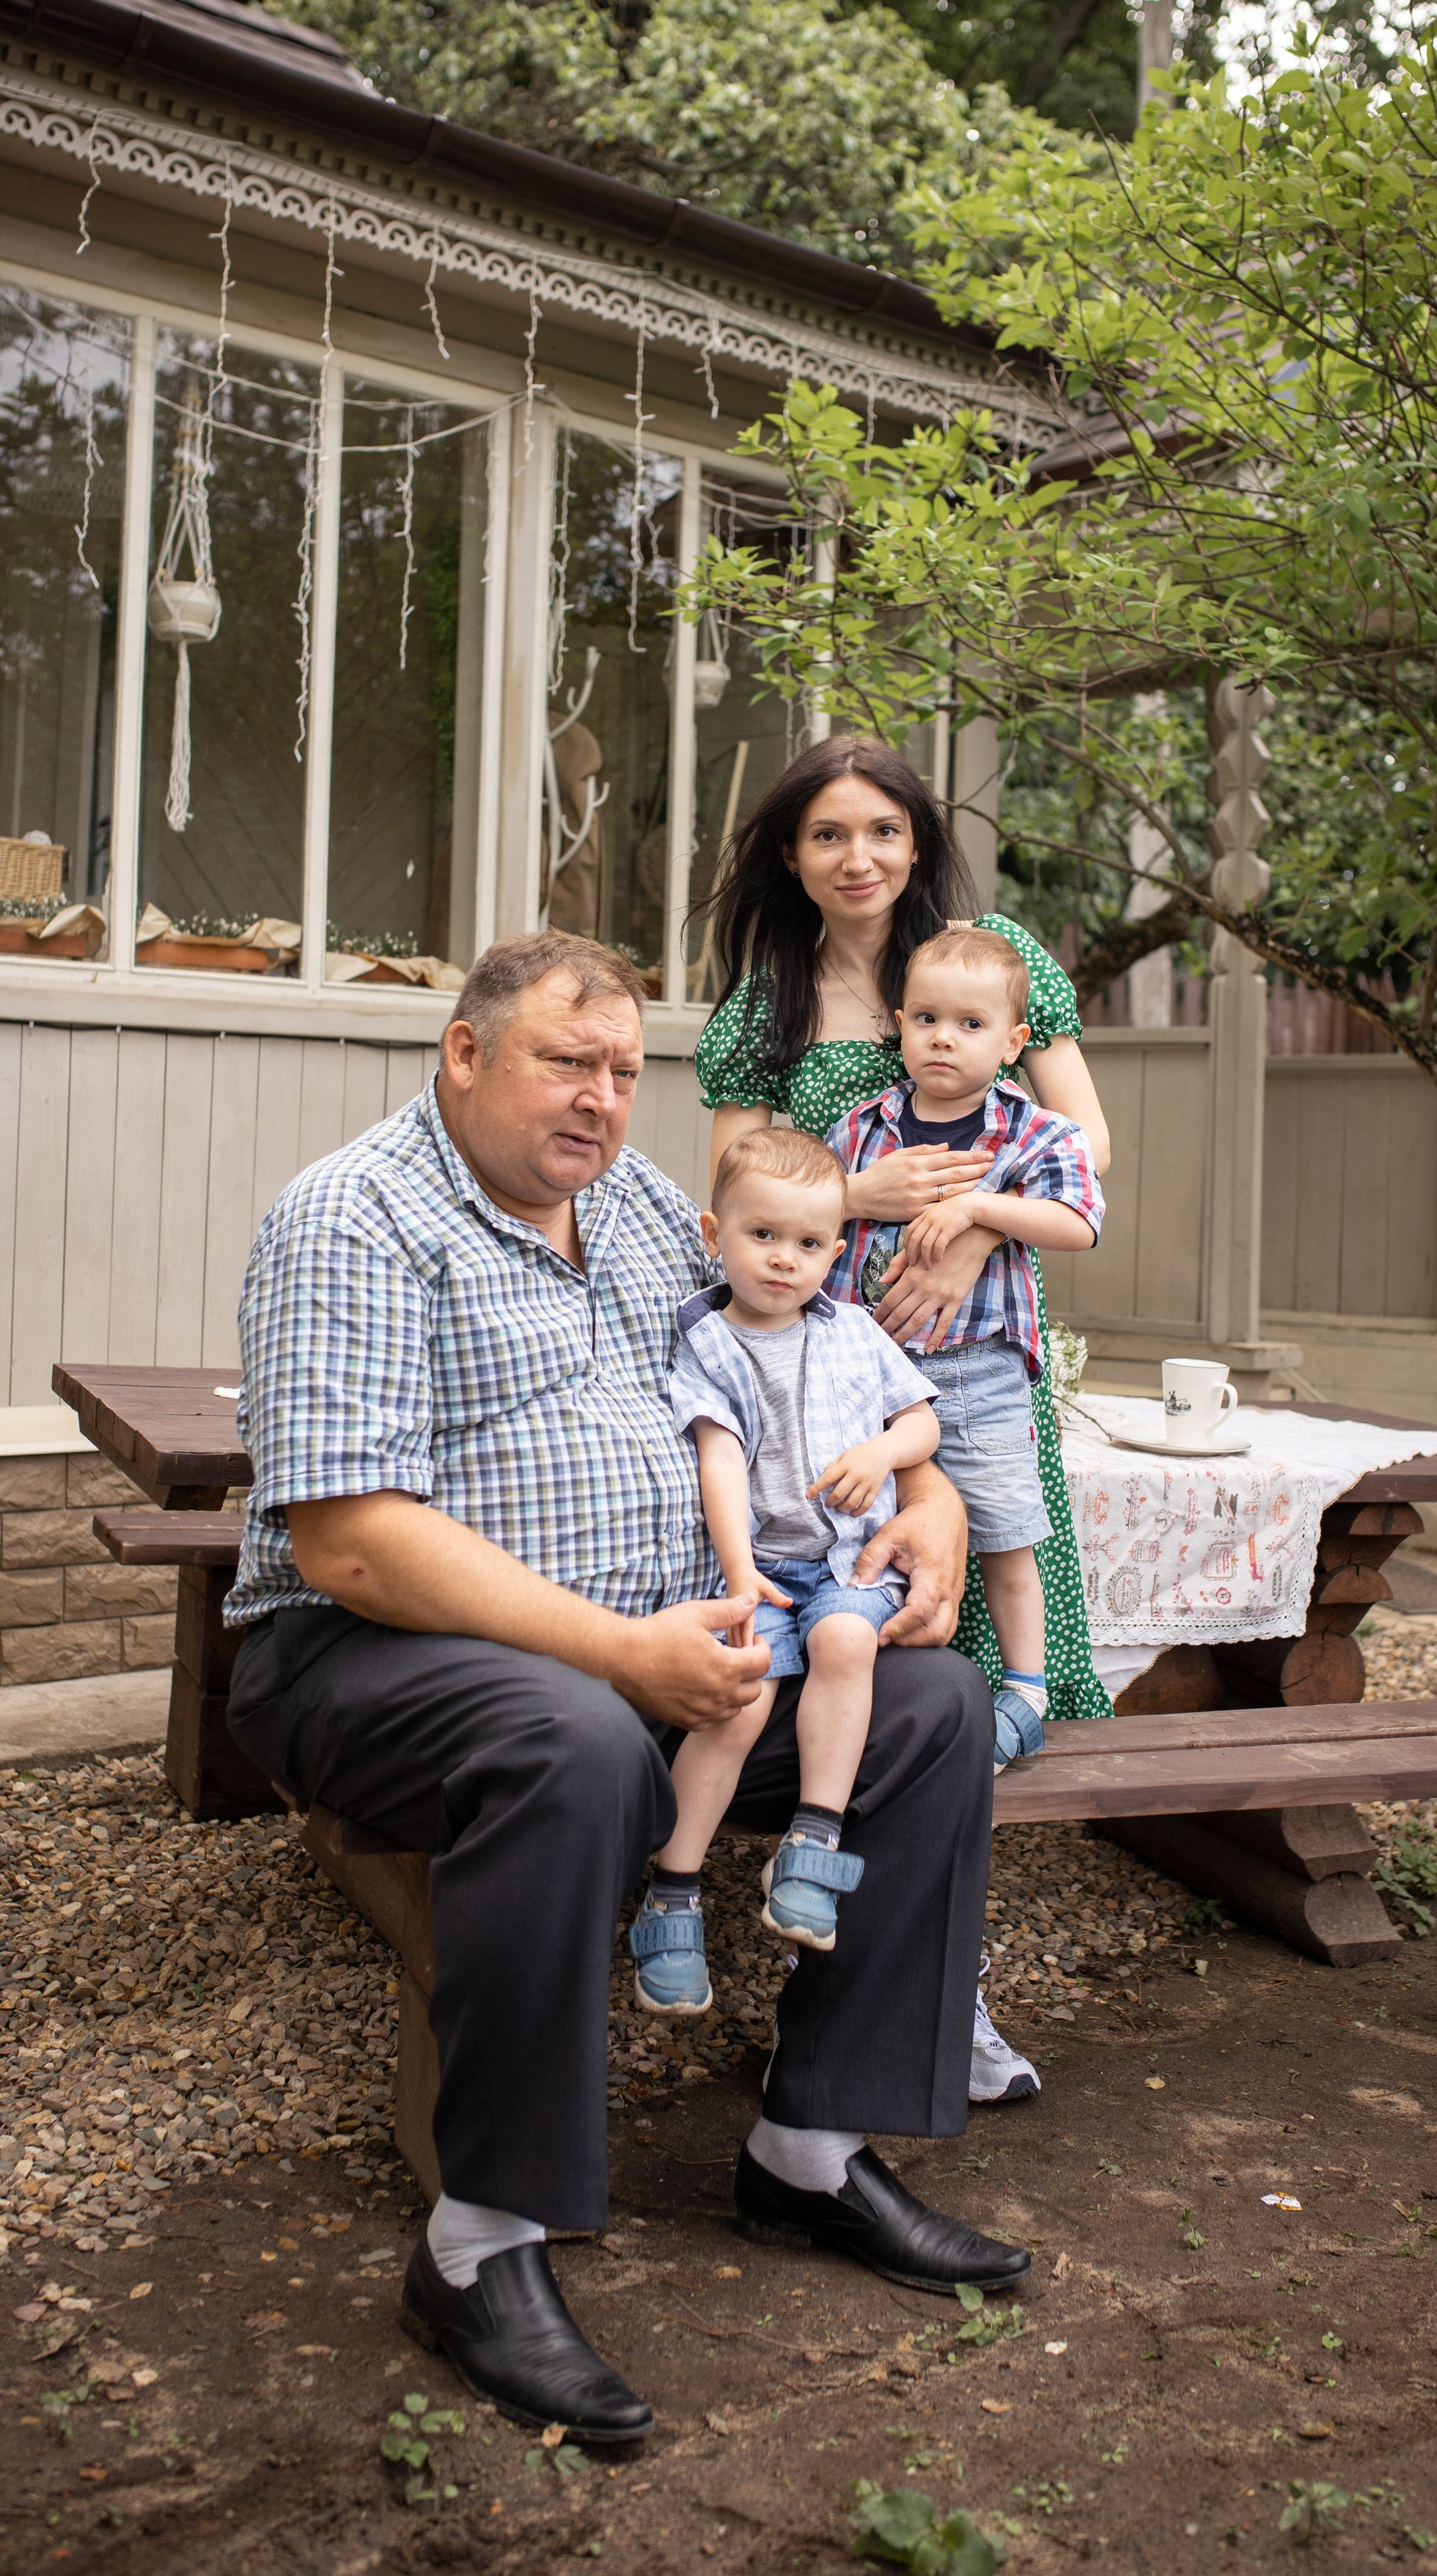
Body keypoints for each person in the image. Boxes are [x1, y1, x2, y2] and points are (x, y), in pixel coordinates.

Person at [224, 931, 1029, 2448]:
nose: (599, 1100)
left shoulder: (654, 1213)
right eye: (562, 1062)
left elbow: (843, 1367)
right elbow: (347, 1543)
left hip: (658, 1650)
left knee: (925, 1712)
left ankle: (806, 2149)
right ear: (463, 1057)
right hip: (367, 1659)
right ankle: (479, 2243)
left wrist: (927, 1517)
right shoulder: (353, 1217)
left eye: (620, 1070)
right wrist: (616, 1653)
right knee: (577, 1739)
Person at [694, 733, 1117, 2108]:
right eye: (827, 834)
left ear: (920, 841)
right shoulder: (763, 1012)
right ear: (790, 856)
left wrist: (977, 1224)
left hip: (976, 1373)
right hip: (828, 1397)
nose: (858, 856)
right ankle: (822, 1974)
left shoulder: (994, 965)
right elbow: (738, 1191)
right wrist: (862, 1207)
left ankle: (946, 2001)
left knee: (962, 1691)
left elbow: (1087, 1150)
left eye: (883, 829)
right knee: (840, 1674)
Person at [628, 1127, 941, 2015]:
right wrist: (737, 1575)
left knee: (847, 1642)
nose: (783, 1260)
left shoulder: (851, 1331)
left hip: (844, 1556)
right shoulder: (706, 1341)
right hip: (759, 1562)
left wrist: (884, 1453)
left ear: (834, 1252)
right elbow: (718, 1461)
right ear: (712, 1232)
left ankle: (813, 1841)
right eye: (761, 1235)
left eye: (808, 1245)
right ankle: (673, 1889)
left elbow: (922, 1422)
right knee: (740, 1694)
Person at [827, 927, 1105, 1772]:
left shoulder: (1031, 1134)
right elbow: (815, 1218)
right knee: (869, 1528)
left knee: (1004, 1532)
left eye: (970, 1024)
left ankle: (1024, 1692)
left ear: (1013, 1042)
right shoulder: (863, 1130)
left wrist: (985, 1210)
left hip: (979, 1369)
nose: (943, 1038)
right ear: (900, 1027)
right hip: (871, 1375)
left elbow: (1079, 1223)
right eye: (926, 1019)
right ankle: (872, 1683)